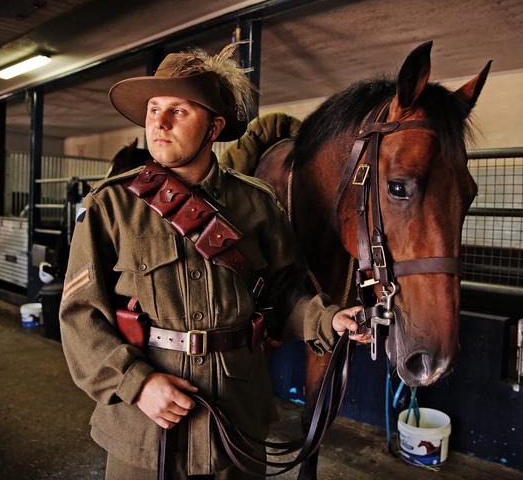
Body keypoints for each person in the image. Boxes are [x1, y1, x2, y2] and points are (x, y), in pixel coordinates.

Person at [59, 44, 370, 480]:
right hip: (145, 425)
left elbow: (282, 295)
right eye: (153, 110)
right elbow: (79, 318)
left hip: (236, 420)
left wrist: (327, 320)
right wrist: (137, 383)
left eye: (179, 111)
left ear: (214, 126)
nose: (159, 123)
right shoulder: (111, 206)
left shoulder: (257, 203)